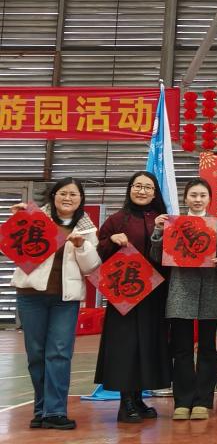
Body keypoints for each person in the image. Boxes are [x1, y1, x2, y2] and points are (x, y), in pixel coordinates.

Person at [11, 178, 101, 430]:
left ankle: (55, 411)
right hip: (30, 295)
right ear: (53, 196)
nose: (68, 198)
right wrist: (18, 220)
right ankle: (40, 410)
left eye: (73, 194)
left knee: (60, 353)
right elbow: (10, 247)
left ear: (81, 200)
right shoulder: (35, 218)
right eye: (63, 193)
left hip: (65, 299)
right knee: (36, 354)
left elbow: (92, 266)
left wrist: (82, 247)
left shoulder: (87, 229)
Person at [153, 178, 217, 421]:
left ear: (209, 199)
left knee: (208, 348)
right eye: (193, 195)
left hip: (211, 292)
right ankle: (182, 401)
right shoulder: (173, 224)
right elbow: (157, 257)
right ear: (185, 198)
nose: (198, 199)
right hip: (181, 293)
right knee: (182, 349)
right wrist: (158, 232)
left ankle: (203, 400)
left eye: (202, 195)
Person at [95, 171, 171, 423]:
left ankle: (138, 398)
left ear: (155, 192)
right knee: (125, 347)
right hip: (124, 295)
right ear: (129, 189)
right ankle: (125, 402)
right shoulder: (116, 220)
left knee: (146, 345)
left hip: (154, 293)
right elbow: (98, 252)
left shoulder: (163, 219)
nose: (142, 191)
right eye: (137, 186)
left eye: (147, 187)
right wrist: (111, 240)